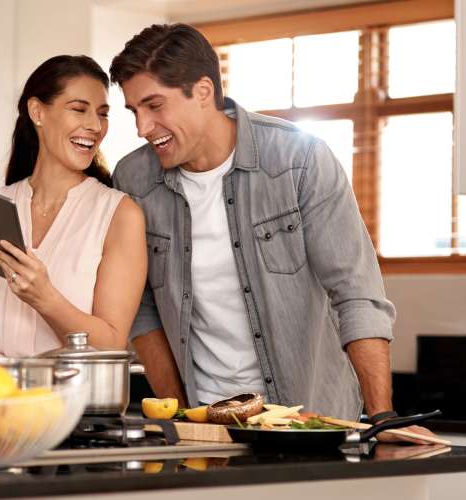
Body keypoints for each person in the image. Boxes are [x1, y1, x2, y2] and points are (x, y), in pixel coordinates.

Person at [109, 24, 435, 441]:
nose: (142, 127)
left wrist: (382, 416)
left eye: (154, 106)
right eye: (134, 110)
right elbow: (143, 306)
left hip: (313, 422)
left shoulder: (299, 159)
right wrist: (181, 415)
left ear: (204, 91)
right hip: (206, 425)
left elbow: (355, 291)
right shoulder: (134, 178)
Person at [0, 55, 147, 357]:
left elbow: (111, 344)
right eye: (79, 109)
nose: (94, 126)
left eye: (103, 114)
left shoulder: (118, 214)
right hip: (0, 398)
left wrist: (45, 298)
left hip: (75, 402)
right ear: (37, 111)